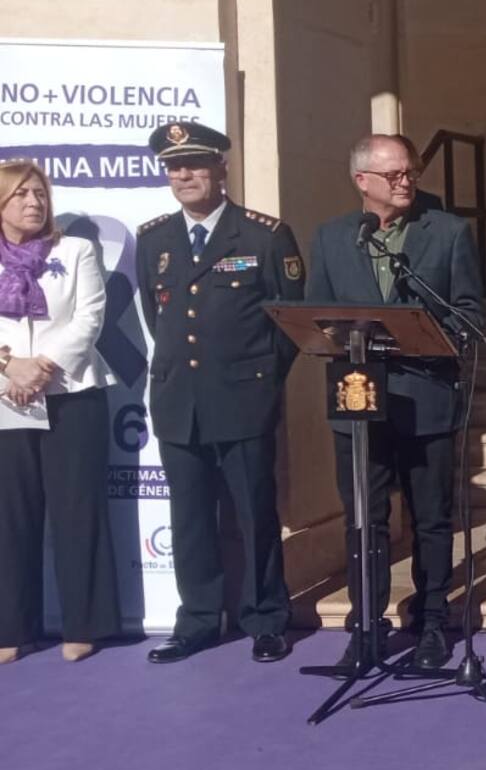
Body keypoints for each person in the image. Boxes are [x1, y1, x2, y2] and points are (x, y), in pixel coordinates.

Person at [307, 133, 484, 672]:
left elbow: (470, 311)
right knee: (365, 519)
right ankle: (366, 625)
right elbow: (315, 313)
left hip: (425, 394)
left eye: (410, 172)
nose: (407, 181)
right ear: (362, 181)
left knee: (431, 518)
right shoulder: (331, 237)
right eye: (394, 174)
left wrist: (431, 334)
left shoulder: (448, 232)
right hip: (358, 399)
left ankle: (432, 623)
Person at [136, 122, 305, 664]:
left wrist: (259, 381)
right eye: (173, 167)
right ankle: (199, 620)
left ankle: (266, 619)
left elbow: (290, 324)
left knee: (255, 515)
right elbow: (156, 316)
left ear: (221, 169)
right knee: (189, 518)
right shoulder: (154, 239)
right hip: (178, 404)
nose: (183, 175)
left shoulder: (263, 236)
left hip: (243, 401)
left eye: (194, 164)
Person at [0, 160, 120, 664]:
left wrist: (43, 366)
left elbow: (90, 317)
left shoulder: (75, 250)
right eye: (21, 194)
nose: (34, 202)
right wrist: (9, 366)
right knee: (10, 516)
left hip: (71, 392)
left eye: (40, 194)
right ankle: (12, 628)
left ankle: (84, 624)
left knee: (77, 511)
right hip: (6, 396)